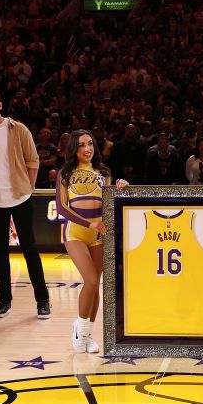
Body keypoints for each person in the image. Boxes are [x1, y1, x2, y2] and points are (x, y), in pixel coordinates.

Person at [0, 87, 50, 319]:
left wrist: (27, 187)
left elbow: (33, 160)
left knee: (30, 249)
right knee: (0, 252)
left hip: (20, 197)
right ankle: (4, 300)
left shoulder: (18, 129)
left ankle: (43, 301)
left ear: (1, 105)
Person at [56, 130, 124, 353]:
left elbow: (108, 204)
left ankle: (87, 335)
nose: (87, 149)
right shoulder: (65, 173)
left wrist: (118, 191)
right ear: (74, 149)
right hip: (75, 232)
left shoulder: (103, 172)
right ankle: (80, 328)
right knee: (92, 280)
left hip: (98, 233)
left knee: (96, 285)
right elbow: (62, 207)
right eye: (82, 145)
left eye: (90, 144)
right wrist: (88, 224)